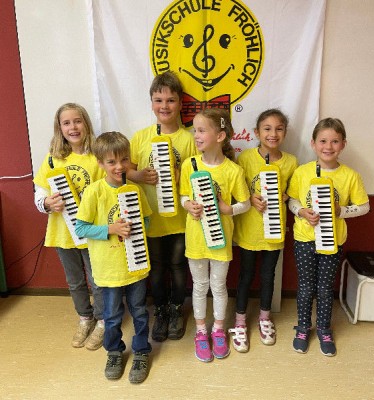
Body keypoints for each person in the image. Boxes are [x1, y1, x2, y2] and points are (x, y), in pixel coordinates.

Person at [287, 117, 369, 356]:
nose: (328, 146)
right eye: (323, 141)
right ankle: (303, 327)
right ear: (313, 143)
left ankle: (324, 328)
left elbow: (364, 207)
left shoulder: (350, 176)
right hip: (305, 238)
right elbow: (292, 200)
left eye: (335, 141)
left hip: (333, 240)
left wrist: (340, 211)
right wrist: (302, 212)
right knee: (305, 287)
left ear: (343, 144)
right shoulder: (302, 172)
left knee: (324, 288)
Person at [75, 131, 152, 384]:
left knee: (139, 312)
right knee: (112, 315)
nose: (119, 166)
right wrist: (111, 228)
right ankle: (115, 352)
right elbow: (81, 228)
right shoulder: (94, 192)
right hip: (108, 269)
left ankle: (141, 351)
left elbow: (147, 221)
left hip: (135, 265)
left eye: (124, 160)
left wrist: (135, 225)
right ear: (100, 163)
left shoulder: (135, 190)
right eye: (111, 162)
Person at [127, 71, 197, 342]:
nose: (164, 106)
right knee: (156, 267)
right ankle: (161, 310)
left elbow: (199, 175)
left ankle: (177, 308)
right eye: (159, 100)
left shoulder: (189, 139)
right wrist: (140, 175)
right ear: (151, 103)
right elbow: (127, 171)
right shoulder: (140, 137)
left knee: (178, 265)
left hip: (180, 218)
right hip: (151, 217)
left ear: (180, 104)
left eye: (170, 100)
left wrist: (182, 176)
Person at [180, 108, 250, 362]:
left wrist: (227, 209)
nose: (196, 135)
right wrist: (188, 205)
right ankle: (201, 332)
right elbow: (183, 195)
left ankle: (218, 330)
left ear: (220, 136)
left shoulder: (233, 171)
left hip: (221, 240)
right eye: (195, 130)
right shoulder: (189, 164)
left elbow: (245, 203)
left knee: (218, 286)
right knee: (199, 286)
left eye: (201, 130)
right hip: (196, 238)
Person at [33, 103, 105, 350]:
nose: (73, 127)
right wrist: (46, 203)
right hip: (62, 232)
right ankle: (85, 318)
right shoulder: (53, 159)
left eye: (77, 121)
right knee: (74, 281)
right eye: (67, 123)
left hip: (91, 231)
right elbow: (40, 191)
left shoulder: (97, 156)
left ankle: (103, 320)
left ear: (86, 124)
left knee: (97, 279)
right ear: (60, 128)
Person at [230, 109, 298, 353]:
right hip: (249, 229)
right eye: (267, 129)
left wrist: (284, 196)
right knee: (246, 275)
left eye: (279, 128)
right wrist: (250, 197)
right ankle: (240, 321)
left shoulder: (291, 162)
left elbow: (293, 191)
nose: (273, 134)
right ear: (257, 133)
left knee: (269, 275)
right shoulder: (246, 158)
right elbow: (237, 188)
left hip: (275, 230)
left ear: (285, 132)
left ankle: (265, 318)